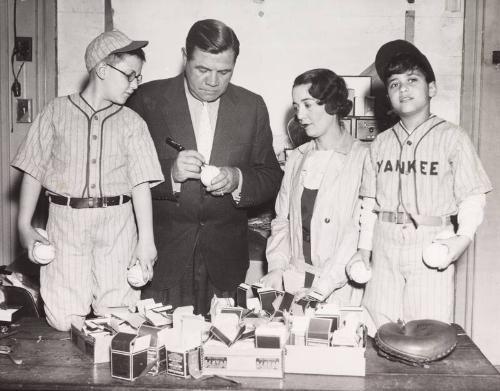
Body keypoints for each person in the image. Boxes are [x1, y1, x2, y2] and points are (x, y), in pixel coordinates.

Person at [126, 19, 282, 315]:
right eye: (202, 69)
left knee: (223, 353)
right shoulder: (146, 100)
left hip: (226, 262)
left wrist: (238, 179)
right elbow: (120, 172)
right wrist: (169, 173)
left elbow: (271, 176)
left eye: (224, 72)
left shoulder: (252, 106)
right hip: (162, 258)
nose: (212, 81)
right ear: (185, 58)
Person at [11, 30, 164, 331]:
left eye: (139, 78)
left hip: (117, 223)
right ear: (103, 70)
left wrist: (146, 241)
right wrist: (24, 227)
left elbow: (141, 185)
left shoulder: (133, 123)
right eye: (130, 76)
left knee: (118, 314)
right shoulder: (54, 112)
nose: (135, 85)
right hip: (66, 221)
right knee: (63, 318)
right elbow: (33, 172)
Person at [347, 40, 492, 327]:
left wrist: (460, 240)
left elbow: (473, 198)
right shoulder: (380, 144)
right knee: (377, 324)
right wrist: (364, 251)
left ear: (432, 89)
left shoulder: (453, 137)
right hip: (385, 243)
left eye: (412, 79)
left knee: (428, 327)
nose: (403, 88)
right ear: (388, 95)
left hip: (431, 239)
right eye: (394, 84)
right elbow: (369, 205)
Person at [261, 69, 368, 306]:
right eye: (296, 106)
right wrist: (277, 267)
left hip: (340, 286)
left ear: (332, 105)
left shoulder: (362, 158)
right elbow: (282, 220)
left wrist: (323, 286)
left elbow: (357, 231)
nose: (299, 115)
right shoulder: (298, 158)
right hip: (296, 279)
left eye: (308, 105)